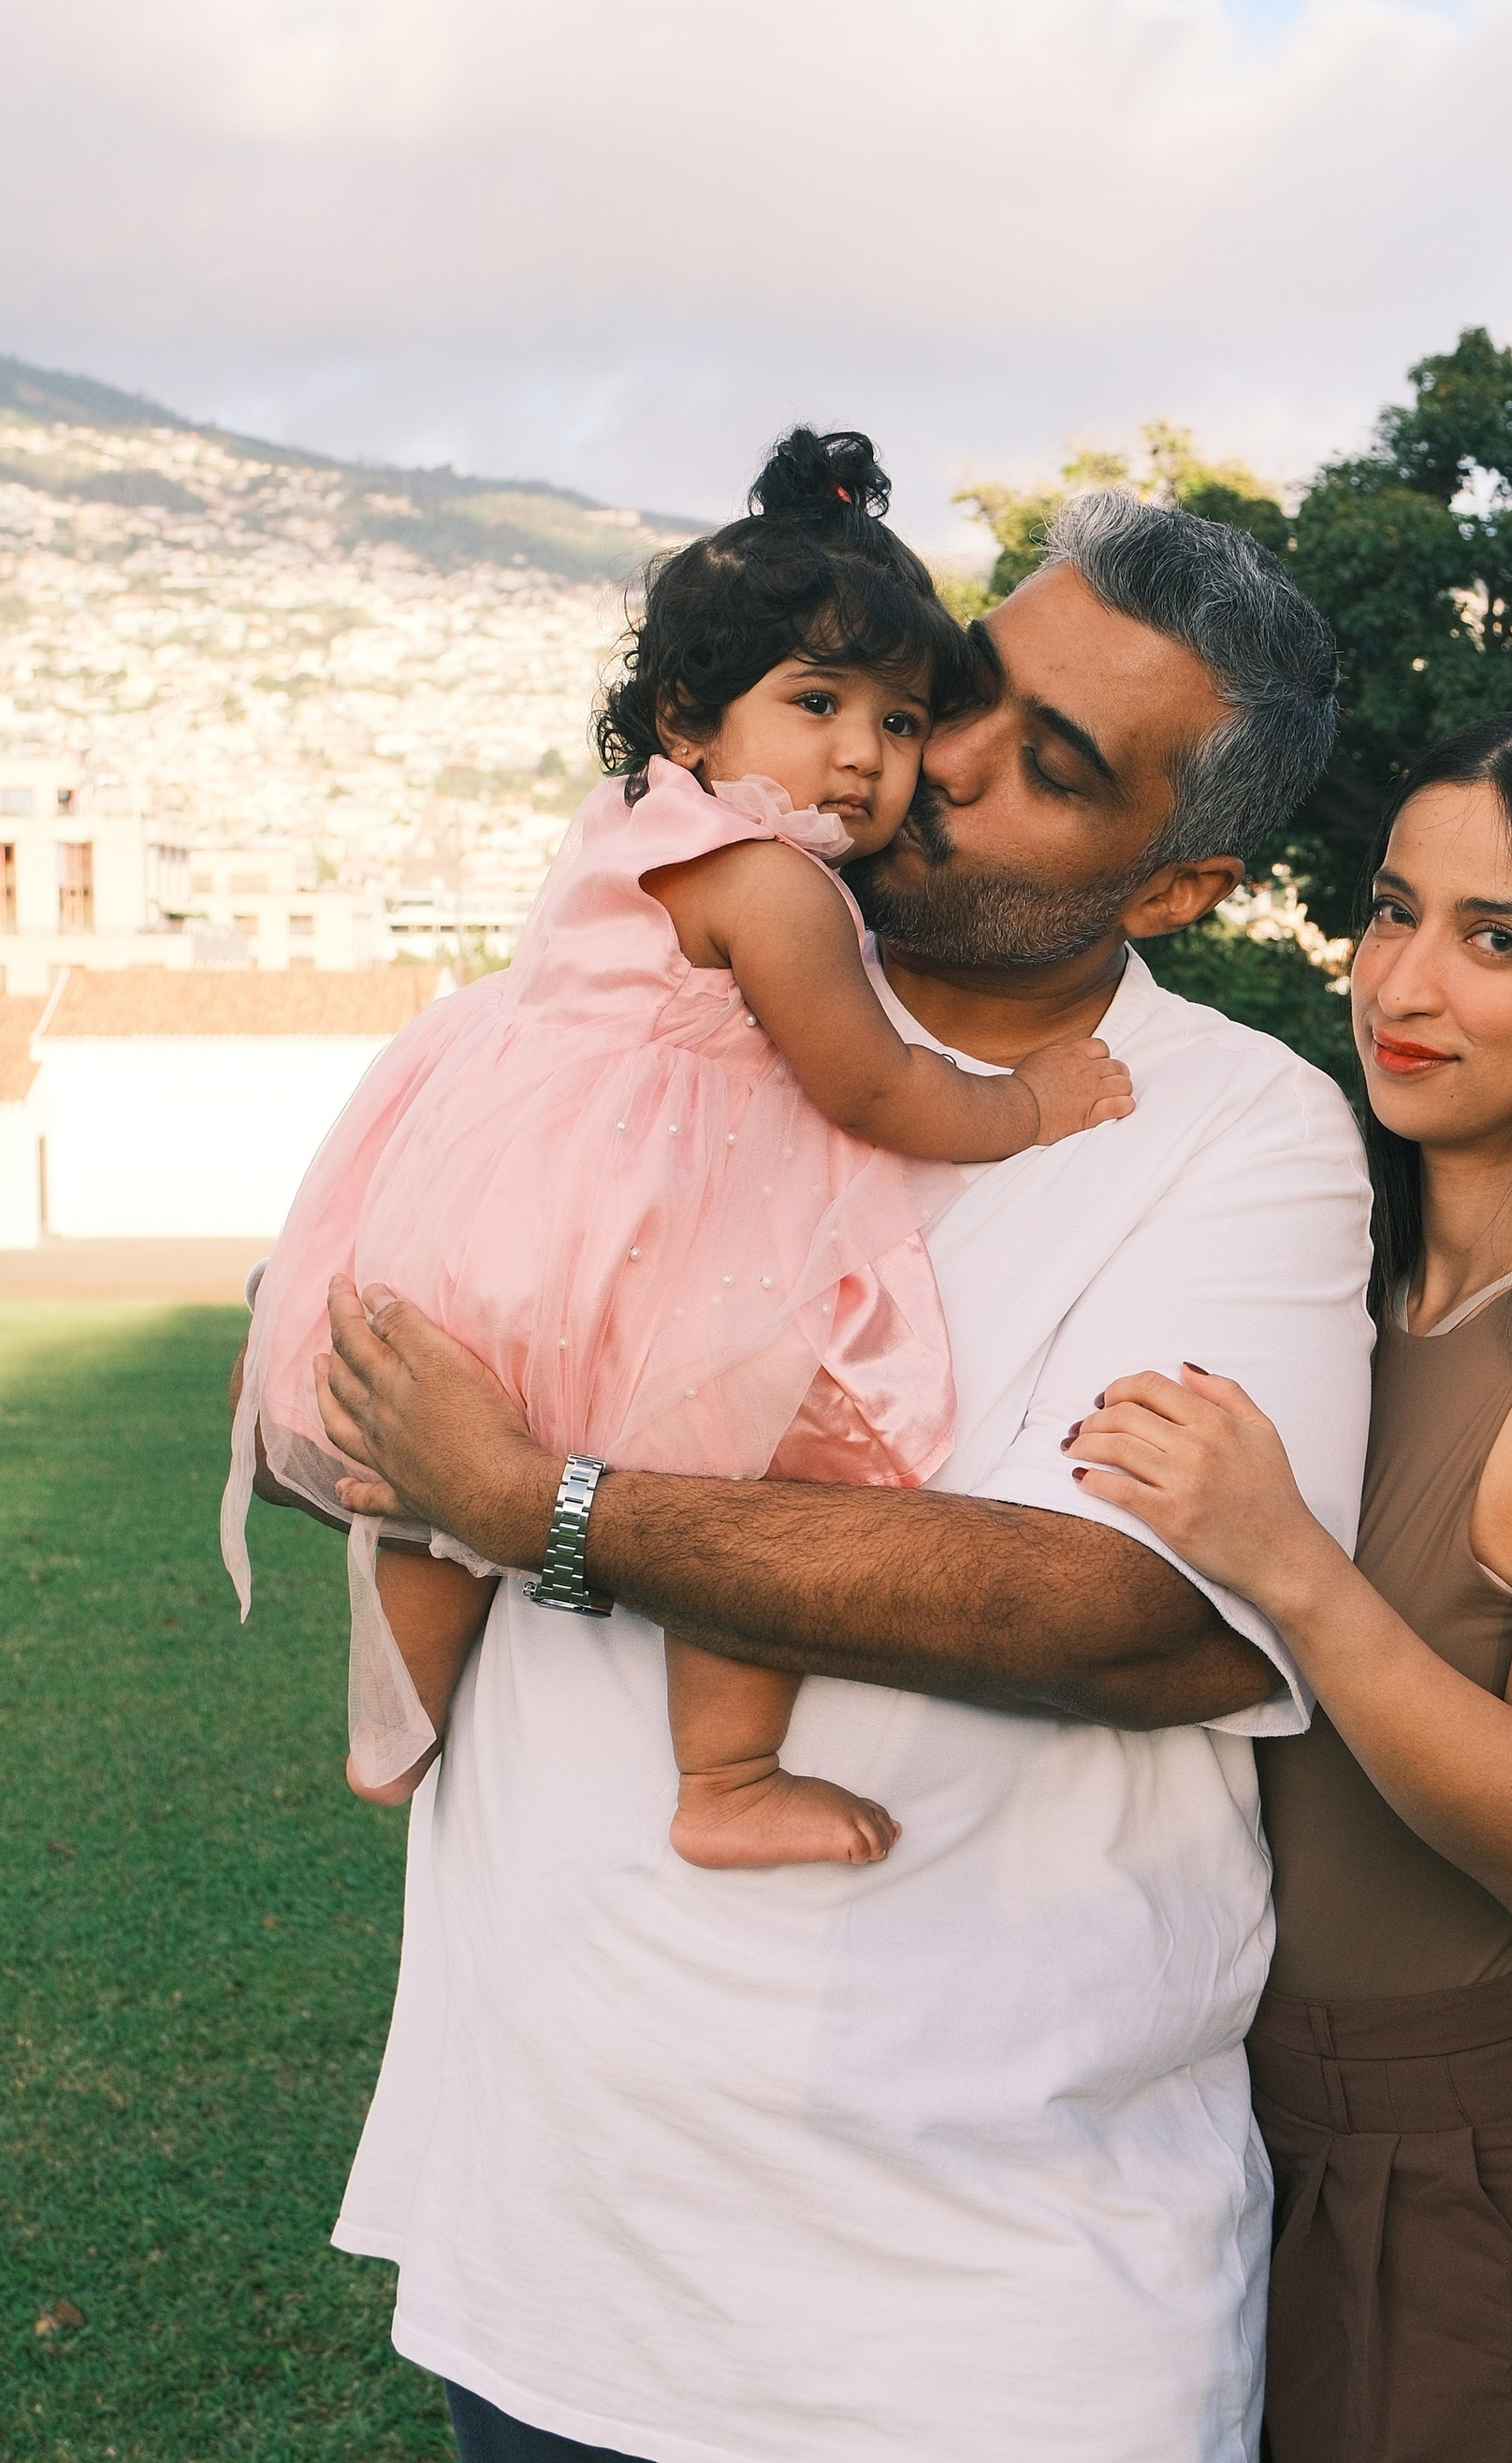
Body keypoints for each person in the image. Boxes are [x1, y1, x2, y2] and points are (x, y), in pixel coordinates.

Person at [294, 488, 1375, 2463]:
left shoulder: (1235, 1130)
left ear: (1175, 887)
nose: (935, 761)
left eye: (1050, 765)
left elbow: (1133, 1612)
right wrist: (408, 1436)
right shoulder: (623, 1008)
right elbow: (339, 1399)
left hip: (960, 2320)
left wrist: (541, 1503)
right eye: (958, 692)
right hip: (548, 2250)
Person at [225, 430, 1131, 1868]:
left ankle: (393, 1729)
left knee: (432, 1491)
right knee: (764, 1471)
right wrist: (1027, 1105)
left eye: (901, 723)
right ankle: (727, 1775)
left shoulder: (630, 825)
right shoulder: (772, 882)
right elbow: (871, 1086)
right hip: (638, 1232)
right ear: (688, 721)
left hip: (494, 1215)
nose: (864, 755)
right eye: (817, 703)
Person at [1066, 710, 1512, 2463]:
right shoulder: (1335, 1284)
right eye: (1393, 910)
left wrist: (1294, 1568)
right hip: (1244, 2118)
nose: (1403, 983)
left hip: (1502, 2164)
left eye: (1498, 939)